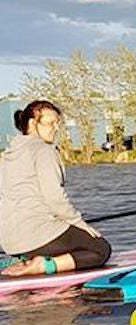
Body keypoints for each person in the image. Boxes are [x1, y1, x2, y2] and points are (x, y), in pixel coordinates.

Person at [0, 100, 111, 277]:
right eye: (51, 123)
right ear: (32, 123)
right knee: (100, 248)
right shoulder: (44, 150)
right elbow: (54, 198)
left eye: (58, 123)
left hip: (9, 241)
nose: (56, 128)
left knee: (64, 231)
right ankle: (41, 265)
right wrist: (79, 223)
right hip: (37, 235)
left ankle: (25, 258)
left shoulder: (7, 154)